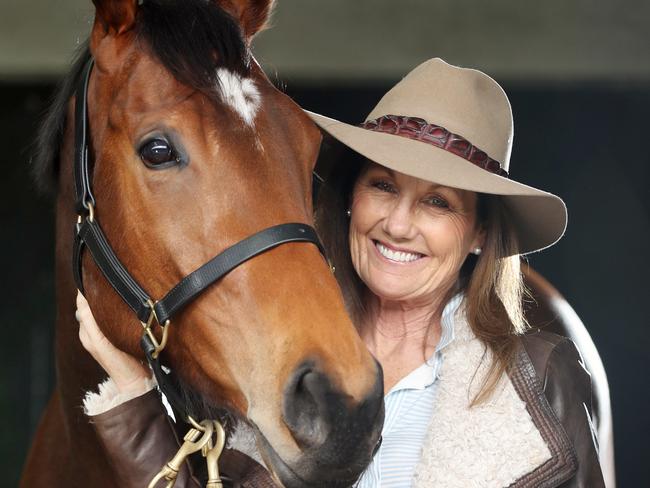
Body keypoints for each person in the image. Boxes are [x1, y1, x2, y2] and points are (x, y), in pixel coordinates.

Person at [75, 58, 604, 487]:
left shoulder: (541, 380)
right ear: (351, 195)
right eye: (383, 186)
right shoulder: (270, 350)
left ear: (481, 235)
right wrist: (134, 405)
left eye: (438, 203)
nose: (397, 224)